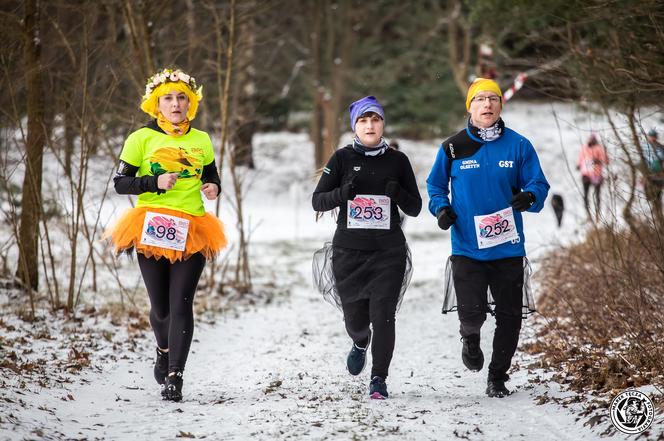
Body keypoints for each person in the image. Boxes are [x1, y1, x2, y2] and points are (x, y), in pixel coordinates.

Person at [104, 68, 227, 402]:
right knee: (160, 309)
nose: (176, 104)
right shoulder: (140, 139)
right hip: (151, 227)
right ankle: (163, 348)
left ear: (191, 103)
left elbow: (212, 173)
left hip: (193, 228)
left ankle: (175, 376)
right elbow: (120, 183)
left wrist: (213, 186)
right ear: (156, 105)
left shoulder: (200, 139)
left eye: (182, 97)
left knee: (181, 303)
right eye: (168, 98)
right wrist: (153, 183)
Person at [426, 78, 549, 398]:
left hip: (508, 246)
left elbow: (539, 183)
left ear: (500, 105)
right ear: (470, 106)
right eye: (480, 99)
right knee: (473, 312)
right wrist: (441, 209)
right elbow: (435, 186)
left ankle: (497, 376)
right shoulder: (452, 147)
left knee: (510, 317)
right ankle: (470, 337)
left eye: (493, 98)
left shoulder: (519, 145)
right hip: (467, 245)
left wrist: (530, 197)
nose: (487, 104)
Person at [312, 96, 421, 399]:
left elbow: (415, 207)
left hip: (389, 252)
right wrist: (341, 194)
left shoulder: (398, 161)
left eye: (375, 119)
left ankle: (379, 379)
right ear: (354, 127)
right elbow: (317, 200)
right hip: (349, 253)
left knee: (384, 314)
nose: (370, 125)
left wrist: (397, 192)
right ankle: (360, 341)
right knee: (356, 321)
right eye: (363, 120)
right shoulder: (342, 159)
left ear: (383, 124)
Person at [576, 134, 608, 219]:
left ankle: (597, 214)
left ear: (595, 140)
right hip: (585, 174)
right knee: (586, 195)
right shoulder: (584, 148)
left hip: (596, 174)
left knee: (597, 195)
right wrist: (578, 165)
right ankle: (588, 215)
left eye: (592, 140)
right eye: (589, 139)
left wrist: (597, 160)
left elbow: (606, 160)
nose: (590, 141)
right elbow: (580, 158)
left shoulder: (599, 148)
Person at [643, 128, 664, 214]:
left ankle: (657, 209)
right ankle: (655, 209)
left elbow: (661, 158)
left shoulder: (659, 147)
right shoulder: (645, 146)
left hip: (658, 173)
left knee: (657, 192)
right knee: (650, 191)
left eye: (652, 136)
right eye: (649, 136)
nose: (650, 138)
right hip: (650, 174)